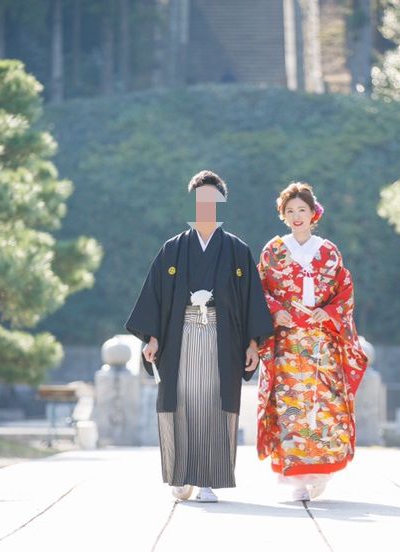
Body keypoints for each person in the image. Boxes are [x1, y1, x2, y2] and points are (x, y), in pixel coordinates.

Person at [125, 170, 273, 503]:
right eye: (200, 199)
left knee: (214, 403)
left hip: (222, 336)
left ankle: (208, 480)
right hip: (181, 334)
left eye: (212, 199)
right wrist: (152, 338)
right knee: (180, 401)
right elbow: (155, 296)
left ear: (221, 203)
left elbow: (251, 299)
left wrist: (252, 343)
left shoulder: (236, 249)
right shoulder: (173, 249)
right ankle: (181, 476)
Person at [257, 182, 368, 501]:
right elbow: (260, 289)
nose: (296, 216)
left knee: (325, 405)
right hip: (287, 343)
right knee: (290, 406)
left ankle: (322, 471)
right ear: (283, 215)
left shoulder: (328, 251)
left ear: (313, 213)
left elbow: (344, 290)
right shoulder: (273, 250)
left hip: (322, 343)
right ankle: (295, 479)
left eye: (301, 210)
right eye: (290, 210)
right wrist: (276, 310)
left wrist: (329, 311)